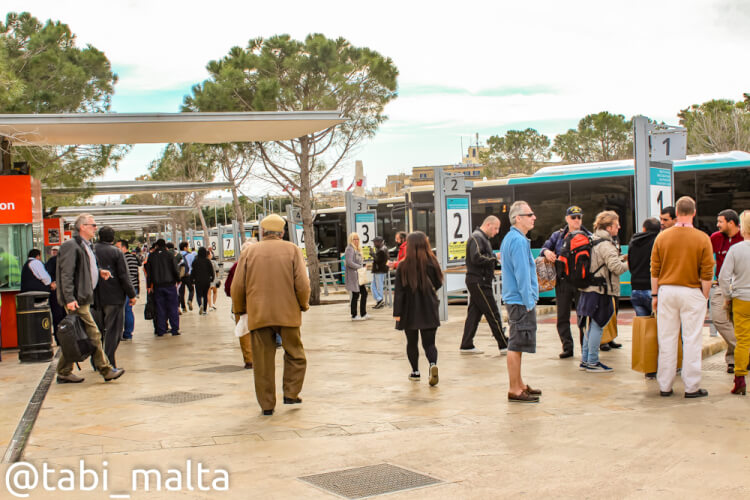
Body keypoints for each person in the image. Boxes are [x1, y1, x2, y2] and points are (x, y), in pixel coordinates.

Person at [231, 214, 310, 416]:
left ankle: (267, 405)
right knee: (296, 354)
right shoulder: (292, 250)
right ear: (282, 232)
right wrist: (303, 304)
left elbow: (237, 285)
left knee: (263, 361)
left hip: (259, 315)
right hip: (288, 313)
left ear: (262, 232)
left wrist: (240, 310)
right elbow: (302, 283)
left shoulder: (249, 252)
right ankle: (291, 393)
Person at [651, 196, 714, 398]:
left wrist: (654, 294)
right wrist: (704, 296)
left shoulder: (662, 237)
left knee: (667, 339)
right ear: (694, 212)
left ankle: (665, 385)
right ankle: (691, 387)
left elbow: (655, 269)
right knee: (692, 339)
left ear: (676, 213)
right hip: (692, 291)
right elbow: (707, 272)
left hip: (667, 291)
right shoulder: (703, 238)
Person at [55, 213, 124, 383]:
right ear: (83, 227)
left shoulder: (85, 245)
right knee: (94, 334)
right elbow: (66, 274)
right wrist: (70, 298)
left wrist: (99, 272)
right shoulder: (71, 246)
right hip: (78, 299)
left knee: (75, 335)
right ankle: (105, 369)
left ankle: (63, 371)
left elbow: (84, 267)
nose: (95, 228)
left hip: (84, 297)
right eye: (92, 225)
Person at [576, 211, 629, 373]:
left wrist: (621, 258)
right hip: (601, 290)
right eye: (616, 224)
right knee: (597, 326)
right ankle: (593, 361)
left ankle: (586, 360)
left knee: (589, 326)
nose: (619, 227)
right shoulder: (606, 244)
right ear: (609, 227)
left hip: (588, 289)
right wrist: (631, 263)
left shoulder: (592, 240)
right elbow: (616, 268)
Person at [500, 201, 540, 403]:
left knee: (518, 343)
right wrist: (529, 300)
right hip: (520, 301)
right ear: (518, 218)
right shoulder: (518, 241)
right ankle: (515, 389)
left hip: (516, 299)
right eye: (529, 214)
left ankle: (519, 384)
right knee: (516, 345)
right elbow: (522, 272)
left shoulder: (513, 238)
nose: (534, 217)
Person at [393, 231, 443, 385]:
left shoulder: (403, 265)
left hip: (409, 310)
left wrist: (397, 313)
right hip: (429, 307)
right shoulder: (432, 262)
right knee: (430, 343)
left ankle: (415, 371)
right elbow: (439, 283)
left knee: (411, 342)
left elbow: (399, 292)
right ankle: (432, 365)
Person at [541, 205, 589, 358]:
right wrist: (547, 252)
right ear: (567, 219)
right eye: (573, 217)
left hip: (581, 282)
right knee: (562, 317)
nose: (576, 220)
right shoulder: (558, 236)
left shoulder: (588, 235)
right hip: (563, 282)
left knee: (584, 316)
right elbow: (545, 247)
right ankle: (567, 347)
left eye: (579, 217)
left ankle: (585, 348)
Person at [460, 215, 508, 354]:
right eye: (496, 228)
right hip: (479, 281)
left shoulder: (480, 238)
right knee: (493, 312)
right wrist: (494, 257)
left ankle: (466, 344)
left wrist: (493, 256)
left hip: (479, 281)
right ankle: (503, 343)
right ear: (488, 225)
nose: (497, 231)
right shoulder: (477, 237)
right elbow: (477, 258)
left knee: (474, 314)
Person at [93, 227, 136, 369]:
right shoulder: (116, 252)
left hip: (95, 297)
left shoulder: (91, 250)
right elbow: (124, 275)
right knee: (113, 331)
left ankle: (96, 361)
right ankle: (109, 362)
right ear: (112, 239)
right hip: (114, 297)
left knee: (97, 331)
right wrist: (131, 294)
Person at [718, 210, 750, 395]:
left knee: (743, 341)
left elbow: (723, 277)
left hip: (741, 299)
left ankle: (740, 380)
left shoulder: (736, 249)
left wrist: (728, 296)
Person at [710, 209, 744, 373]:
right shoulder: (715, 238)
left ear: (731, 222)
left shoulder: (744, 238)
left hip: (741, 285)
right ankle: (745, 350)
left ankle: (733, 359)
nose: (717, 225)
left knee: (737, 322)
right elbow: (706, 258)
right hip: (721, 285)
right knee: (719, 319)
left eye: (720, 222)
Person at [627, 217, 661, 379]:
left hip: (636, 290)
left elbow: (631, 265)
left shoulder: (633, 242)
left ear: (644, 228)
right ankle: (662, 365)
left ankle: (649, 369)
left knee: (645, 330)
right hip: (652, 290)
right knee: (660, 330)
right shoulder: (658, 241)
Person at [225, 239, 256, 369]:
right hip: (258, 303)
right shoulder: (260, 265)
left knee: (244, 332)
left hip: (241, 303)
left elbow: (228, 287)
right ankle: (261, 357)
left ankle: (249, 360)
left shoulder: (236, 266)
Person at [145, 239, 181, 336]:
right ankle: (175, 329)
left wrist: (149, 285)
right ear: (165, 246)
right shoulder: (169, 255)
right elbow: (175, 269)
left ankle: (161, 330)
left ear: (156, 246)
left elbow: (149, 272)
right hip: (170, 285)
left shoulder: (151, 256)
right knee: (173, 308)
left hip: (158, 286)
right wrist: (178, 280)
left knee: (160, 309)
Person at [116, 240, 140, 341]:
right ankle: (128, 332)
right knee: (128, 310)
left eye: (118, 247)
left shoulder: (124, 258)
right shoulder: (133, 258)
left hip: (126, 288)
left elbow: (125, 276)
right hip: (133, 287)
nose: (116, 249)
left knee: (125, 311)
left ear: (124, 248)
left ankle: (126, 333)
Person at [345, 232, 369, 321]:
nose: (356, 241)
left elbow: (357, 261)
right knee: (356, 294)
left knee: (364, 293)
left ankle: (363, 313)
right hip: (353, 276)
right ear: (351, 240)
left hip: (358, 276)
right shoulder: (349, 249)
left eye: (357, 239)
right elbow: (349, 262)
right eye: (354, 239)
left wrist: (362, 265)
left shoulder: (357, 249)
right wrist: (360, 266)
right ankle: (354, 315)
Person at [45, 246, 66, 336]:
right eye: (53, 250)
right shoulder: (65, 260)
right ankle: (64, 334)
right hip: (63, 290)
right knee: (63, 313)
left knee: (57, 313)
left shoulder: (51, 261)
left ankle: (59, 335)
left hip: (56, 290)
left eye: (56, 250)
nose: (54, 252)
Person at [191, 247, 215, 315]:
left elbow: (193, 271)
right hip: (206, 280)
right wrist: (212, 279)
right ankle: (204, 310)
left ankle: (200, 305)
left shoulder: (195, 261)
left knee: (198, 295)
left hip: (198, 280)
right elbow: (211, 271)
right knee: (205, 295)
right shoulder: (207, 261)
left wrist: (192, 280)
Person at [178, 241, 196, 313]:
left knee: (181, 292)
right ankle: (190, 300)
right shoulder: (191, 255)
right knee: (191, 289)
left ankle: (183, 307)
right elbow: (193, 266)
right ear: (185, 247)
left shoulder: (177, 255)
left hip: (180, 276)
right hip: (188, 276)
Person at [371, 236, 388, 309]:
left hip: (379, 270)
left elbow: (378, 260)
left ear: (379, 242)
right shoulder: (382, 249)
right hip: (379, 270)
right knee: (374, 286)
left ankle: (380, 301)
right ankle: (379, 300)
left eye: (375, 242)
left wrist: (372, 254)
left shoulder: (382, 250)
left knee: (378, 286)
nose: (374, 243)